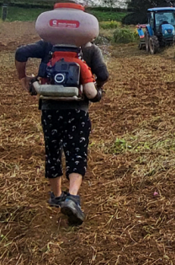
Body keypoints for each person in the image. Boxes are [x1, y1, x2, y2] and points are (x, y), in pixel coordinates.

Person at [15, 41, 108, 225]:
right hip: (77, 110)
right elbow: (103, 75)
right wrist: (96, 89)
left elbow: (20, 52)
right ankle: (72, 197)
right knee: (77, 151)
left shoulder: (47, 45)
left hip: (50, 110)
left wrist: (23, 78)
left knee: (53, 150)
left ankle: (57, 196)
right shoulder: (89, 49)